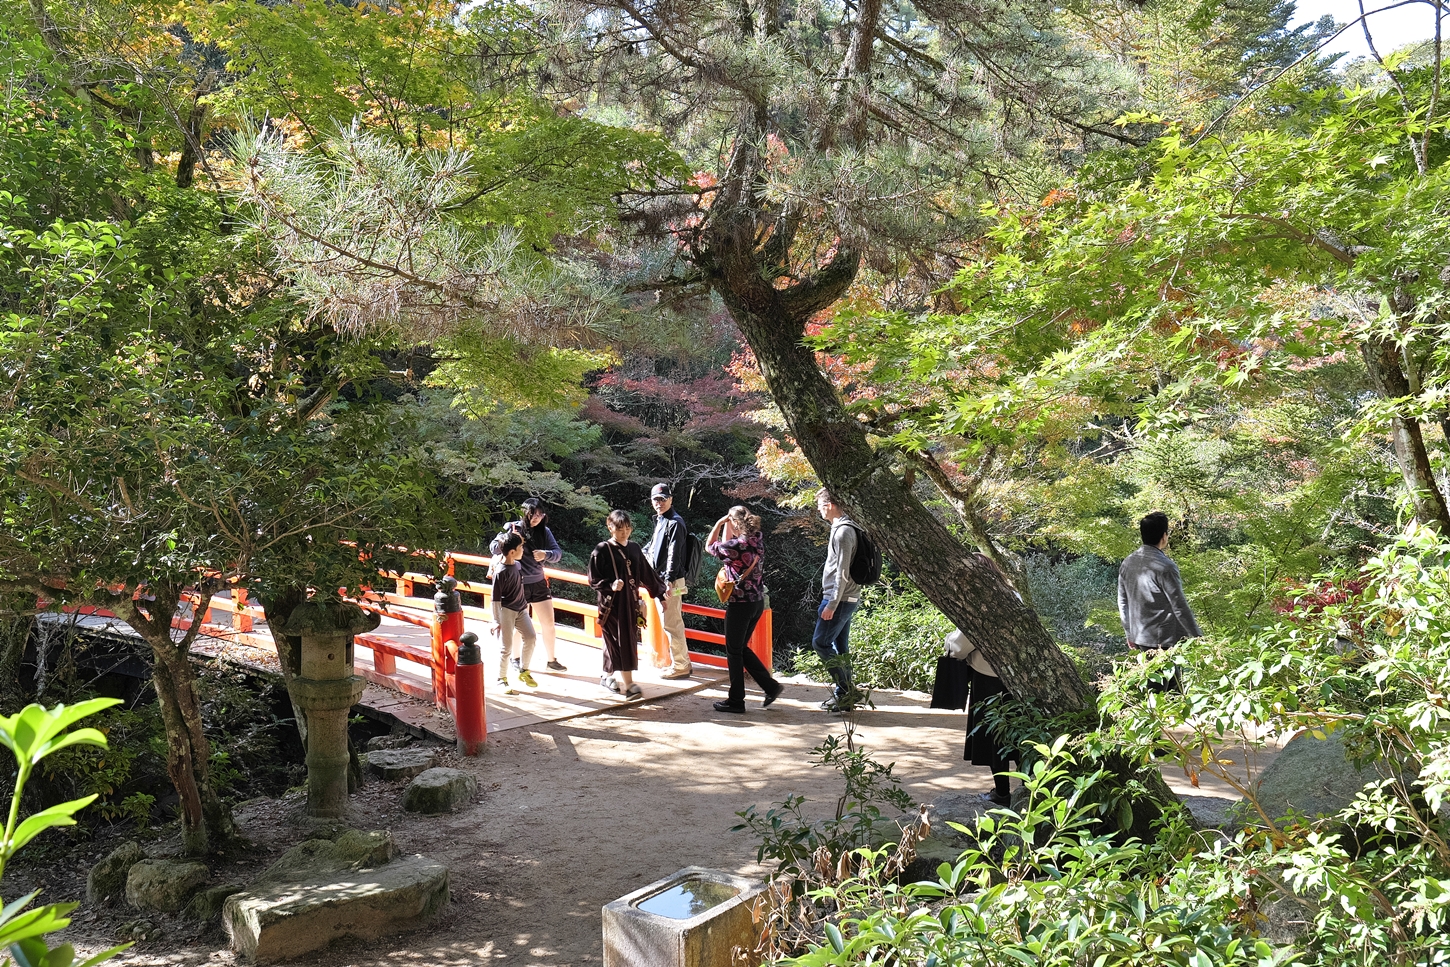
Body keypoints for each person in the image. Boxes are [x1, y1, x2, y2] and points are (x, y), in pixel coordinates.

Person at [706, 506, 784, 714]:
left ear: (733, 522)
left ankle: (736, 700)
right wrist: (729, 523)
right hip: (756, 601)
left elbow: (710, 546)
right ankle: (770, 686)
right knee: (740, 648)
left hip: (740, 604)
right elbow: (727, 543)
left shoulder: (737, 546)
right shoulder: (756, 539)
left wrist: (719, 523)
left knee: (733, 651)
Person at [587, 510, 667, 699]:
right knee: (618, 641)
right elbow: (593, 578)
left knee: (625, 640)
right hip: (611, 605)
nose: (624, 533)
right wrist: (610, 585)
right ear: (610, 528)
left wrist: (660, 595)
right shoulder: (602, 549)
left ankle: (607, 676)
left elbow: (647, 574)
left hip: (630, 604)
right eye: (619, 529)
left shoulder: (634, 548)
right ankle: (629, 684)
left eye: (627, 529)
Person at [491, 498, 566, 672]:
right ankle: (515, 659)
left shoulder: (544, 531)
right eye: (533, 514)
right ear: (524, 513)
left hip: (538, 582)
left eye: (540, 514)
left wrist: (546, 554)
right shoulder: (512, 527)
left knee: (549, 622)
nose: (536, 518)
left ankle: (551, 660)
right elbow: (493, 547)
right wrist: (510, 539)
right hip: (518, 583)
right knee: (520, 625)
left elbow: (557, 553)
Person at [1117, 511, 1201, 650]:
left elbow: (1122, 601)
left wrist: (1129, 633)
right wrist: (1198, 637)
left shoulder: (1128, 562)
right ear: (1164, 536)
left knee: (1149, 666)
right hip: (1166, 640)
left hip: (1141, 638)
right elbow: (1179, 606)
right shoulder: (1165, 566)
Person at [812, 488, 862, 712]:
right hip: (846, 597)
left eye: (820, 506)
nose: (819, 510)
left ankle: (847, 690)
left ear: (830, 505)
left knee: (820, 643)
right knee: (840, 646)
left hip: (840, 599)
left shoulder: (843, 532)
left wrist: (832, 604)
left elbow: (842, 572)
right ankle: (845, 696)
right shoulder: (846, 528)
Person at [646, 482, 692, 679]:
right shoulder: (661, 520)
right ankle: (682, 662)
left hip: (671, 582)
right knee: (671, 622)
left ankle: (681, 666)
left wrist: (668, 580)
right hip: (664, 579)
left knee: (672, 623)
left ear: (671, 499)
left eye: (663, 499)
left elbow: (674, 554)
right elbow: (653, 547)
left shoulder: (674, 522)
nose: (659, 503)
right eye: (656, 499)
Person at [490, 532, 538, 696]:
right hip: (506, 610)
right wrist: (496, 620)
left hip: (521, 608)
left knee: (531, 637)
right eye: (520, 547)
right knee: (506, 647)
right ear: (512, 552)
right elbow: (495, 599)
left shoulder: (517, 565)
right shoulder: (500, 572)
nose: (523, 550)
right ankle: (501, 678)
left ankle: (524, 670)